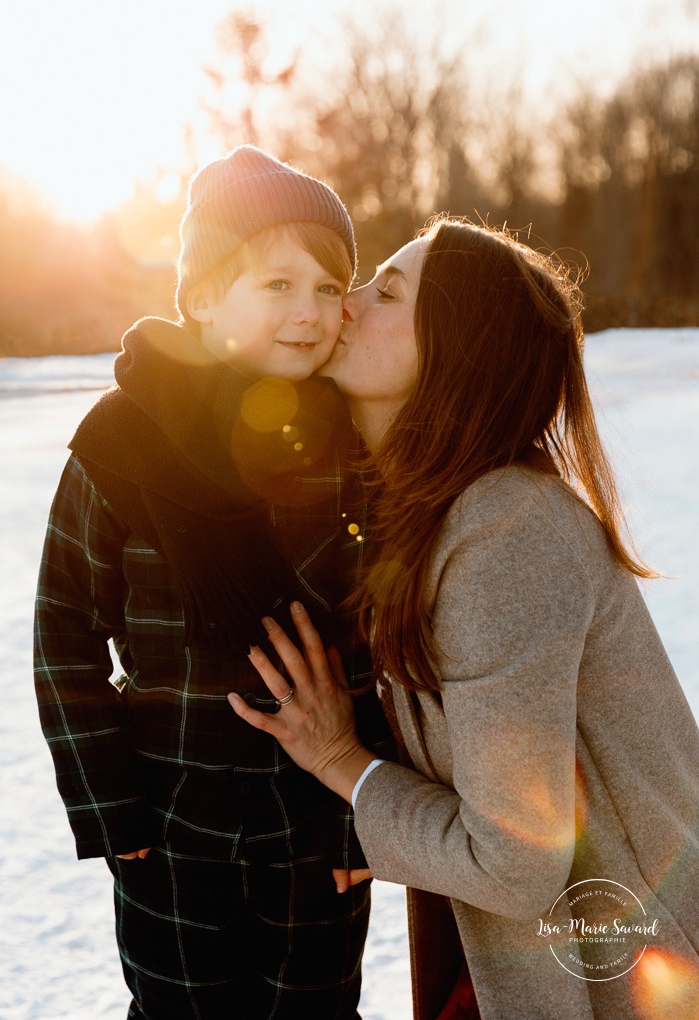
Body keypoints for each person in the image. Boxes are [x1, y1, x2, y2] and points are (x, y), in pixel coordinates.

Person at [228, 217, 699, 1019]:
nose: (347, 300)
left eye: (387, 291)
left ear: (457, 353)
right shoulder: (422, 515)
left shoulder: (506, 531)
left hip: (632, 980)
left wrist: (343, 760)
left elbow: (517, 862)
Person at [34, 145, 390, 1020]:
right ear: (199, 298)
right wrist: (116, 817)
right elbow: (63, 633)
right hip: (171, 825)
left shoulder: (355, 445)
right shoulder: (122, 441)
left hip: (317, 832)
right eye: (276, 285)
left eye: (325, 287)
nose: (308, 312)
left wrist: (366, 812)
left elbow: (388, 634)